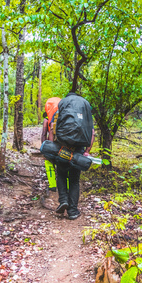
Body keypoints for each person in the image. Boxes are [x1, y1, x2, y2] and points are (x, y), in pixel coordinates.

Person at [55, 92, 95, 220]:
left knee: (61, 174)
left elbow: (53, 127)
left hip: (63, 145)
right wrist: (87, 150)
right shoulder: (85, 106)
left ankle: (63, 200)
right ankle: (72, 211)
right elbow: (92, 132)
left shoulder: (62, 103)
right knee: (74, 179)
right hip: (79, 147)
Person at [41, 97, 62, 192]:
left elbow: (44, 134)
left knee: (49, 163)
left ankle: (52, 185)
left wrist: (44, 148)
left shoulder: (47, 119)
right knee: (63, 163)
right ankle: (66, 186)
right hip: (65, 144)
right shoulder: (66, 115)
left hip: (52, 143)